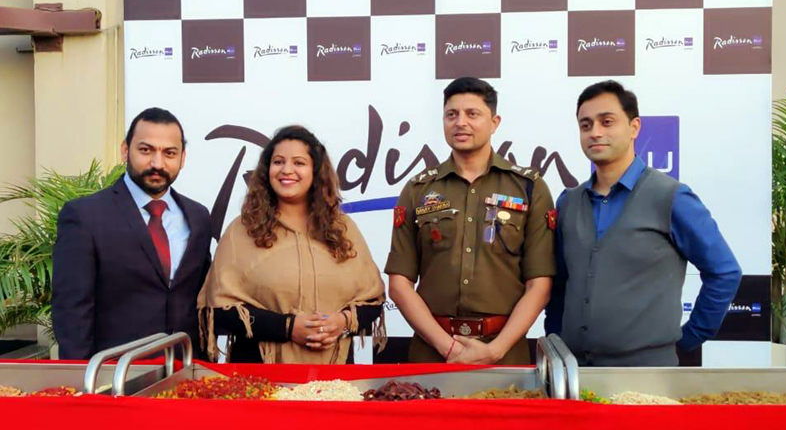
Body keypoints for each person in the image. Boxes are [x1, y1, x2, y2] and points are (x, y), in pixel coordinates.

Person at [544, 80, 742, 366]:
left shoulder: (672, 197)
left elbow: (724, 271)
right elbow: (560, 283)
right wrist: (556, 338)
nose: (595, 132)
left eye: (607, 121)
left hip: (647, 374)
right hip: (575, 372)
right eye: (585, 125)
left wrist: (690, 336)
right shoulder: (568, 202)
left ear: (634, 127)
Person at [385, 77, 555, 365]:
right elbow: (399, 284)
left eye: (472, 114)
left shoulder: (528, 188)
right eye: (452, 115)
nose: (460, 122)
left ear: (494, 122)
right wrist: (448, 349)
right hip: (432, 351)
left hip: (504, 352)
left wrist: (495, 350)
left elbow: (539, 285)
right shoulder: (419, 190)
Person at [198, 125, 385, 364]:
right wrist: (287, 328)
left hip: (334, 379)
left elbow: (373, 301)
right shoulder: (242, 230)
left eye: (299, 163)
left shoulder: (343, 228)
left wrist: (342, 323)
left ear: (316, 171)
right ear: (267, 170)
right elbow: (219, 308)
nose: (287, 170)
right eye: (278, 162)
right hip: (259, 379)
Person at [52, 108, 213, 359]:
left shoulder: (199, 217)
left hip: (186, 375)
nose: (157, 163)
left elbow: (203, 299)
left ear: (182, 158)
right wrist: (83, 383)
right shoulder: (85, 216)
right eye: (146, 150)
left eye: (169, 153)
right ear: (125, 150)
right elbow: (72, 312)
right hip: (114, 377)